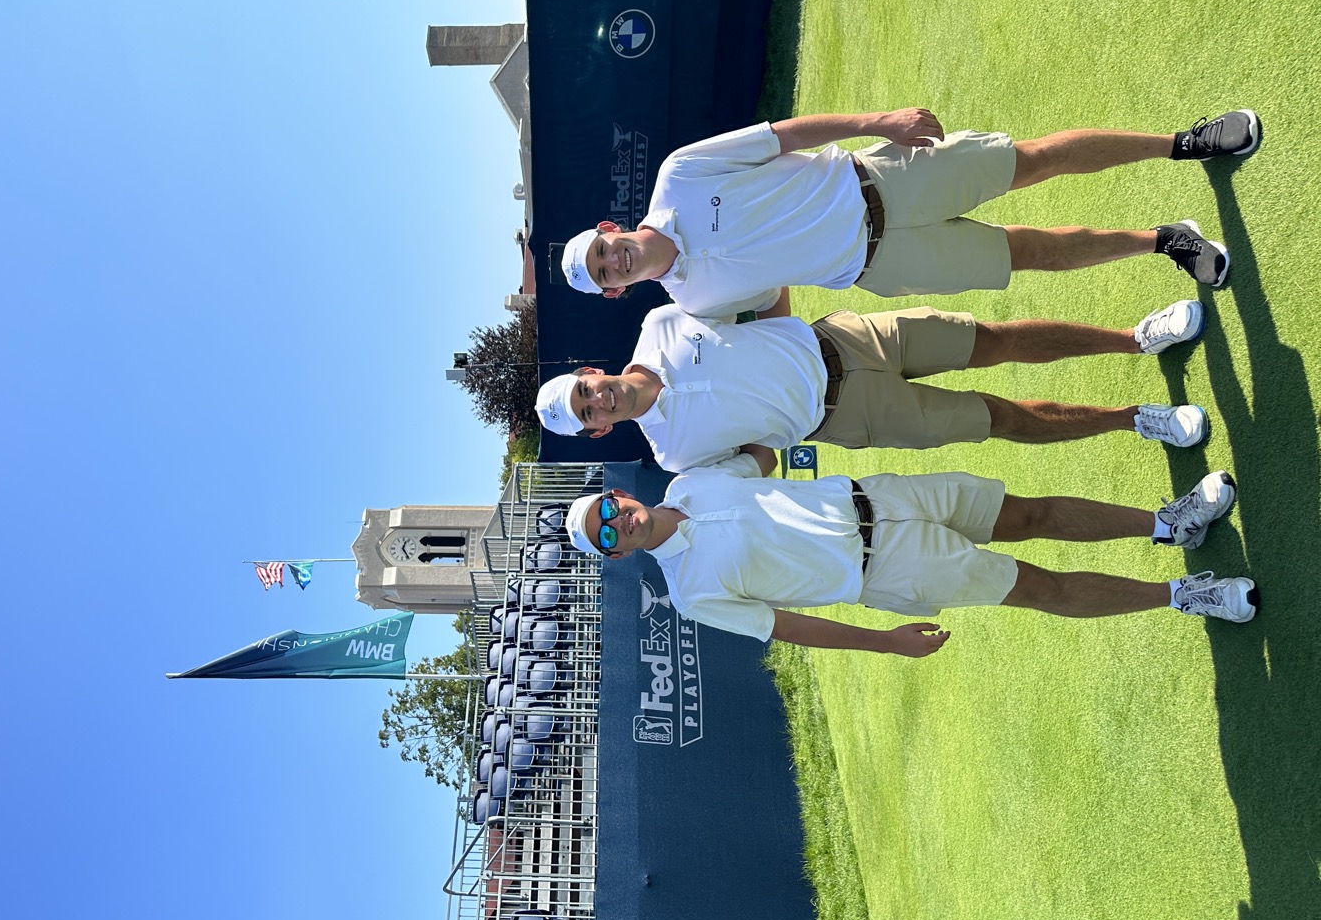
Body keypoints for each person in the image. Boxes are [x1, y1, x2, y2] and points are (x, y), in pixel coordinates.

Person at [558, 108, 1262, 315]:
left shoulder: (680, 174)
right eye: (604, 273)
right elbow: (770, 306)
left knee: (1035, 160)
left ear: (610, 229)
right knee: (1031, 253)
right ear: (615, 290)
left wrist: (879, 122)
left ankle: (1184, 142)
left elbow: (783, 136)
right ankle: (1166, 241)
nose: (611, 260)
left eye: (602, 248)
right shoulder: (692, 305)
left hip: (885, 179)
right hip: (884, 265)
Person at [563, 445, 1256, 654]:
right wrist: (887, 643)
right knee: (1036, 585)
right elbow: (790, 627)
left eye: (608, 508)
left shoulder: (690, 479)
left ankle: (1171, 525)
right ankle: (1185, 595)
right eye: (606, 535)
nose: (616, 521)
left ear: (618, 495)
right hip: (886, 570)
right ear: (617, 556)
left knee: (1030, 513)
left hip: (883, 496)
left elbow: (762, 459)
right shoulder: (689, 594)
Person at [534, 299, 1211, 467]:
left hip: (847, 336)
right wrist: (790, 418)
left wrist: (789, 339)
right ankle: (1136, 418)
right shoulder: (672, 455)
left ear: (589, 373)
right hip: (850, 417)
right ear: (598, 429)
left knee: (994, 341)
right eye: (587, 411)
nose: (596, 398)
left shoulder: (658, 323)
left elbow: (756, 292)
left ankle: (1136, 338)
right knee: (997, 416)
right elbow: (757, 463)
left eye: (584, 387)